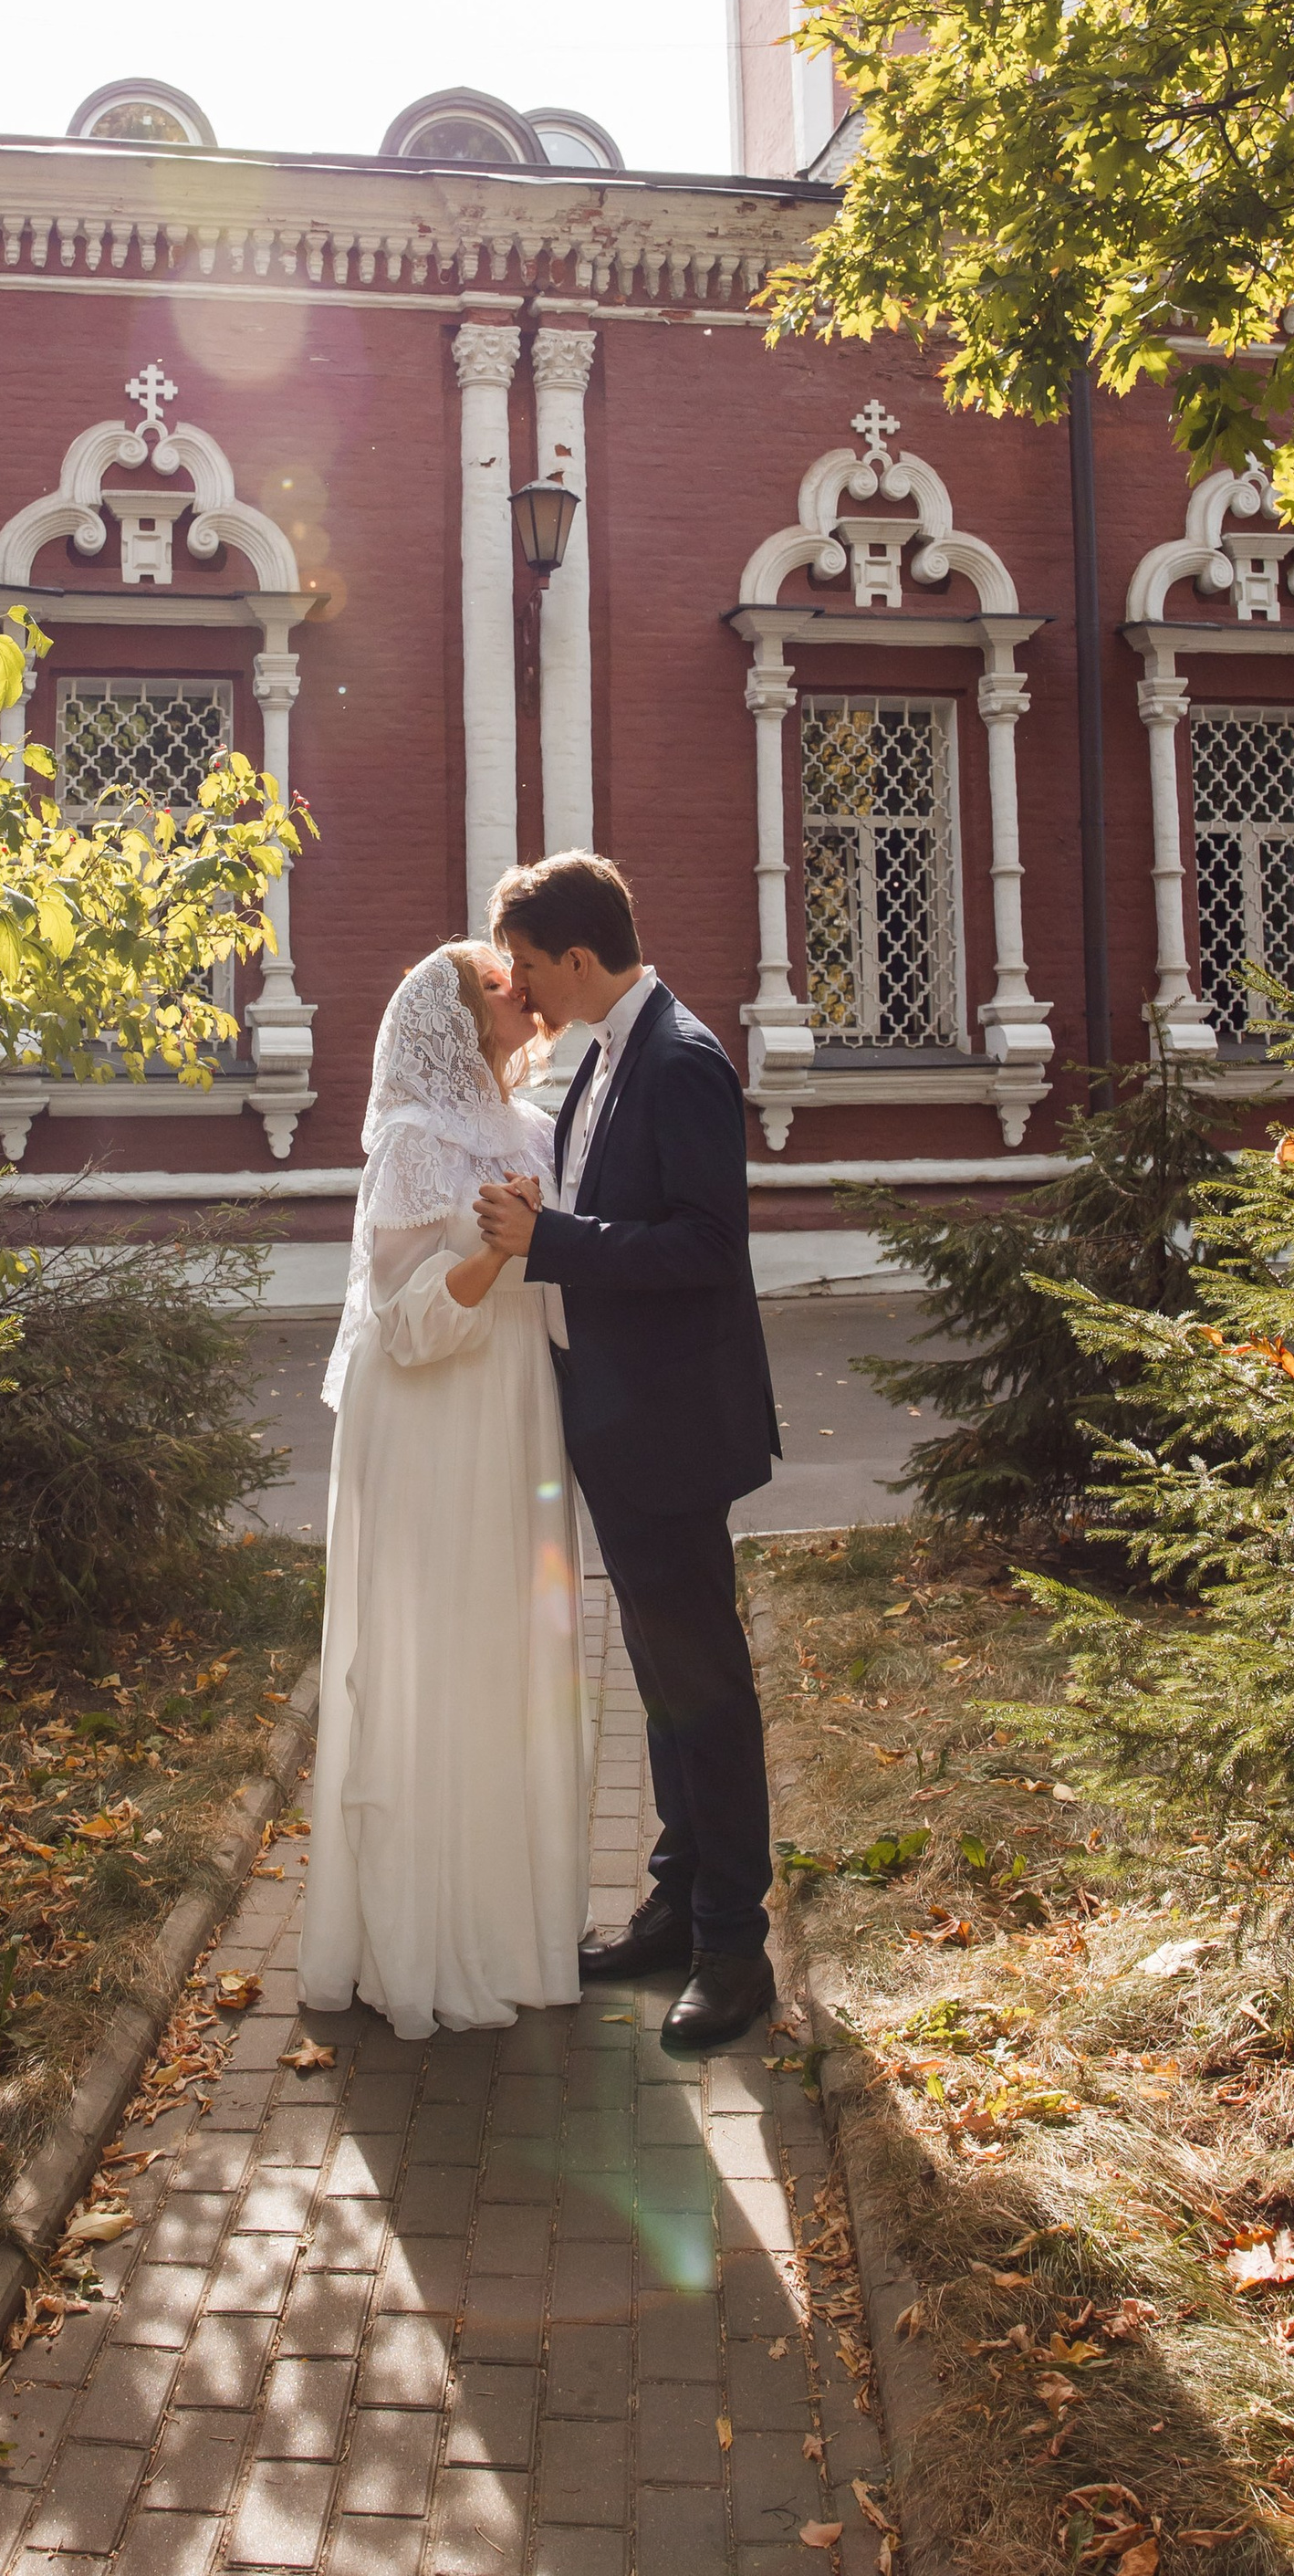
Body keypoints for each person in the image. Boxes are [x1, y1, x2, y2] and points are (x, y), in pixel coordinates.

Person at [474, 852, 782, 2056]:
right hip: (624, 1423)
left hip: (674, 1428)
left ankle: (734, 1946)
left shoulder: (684, 1061)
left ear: (584, 959)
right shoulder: (610, 1051)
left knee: (707, 1690)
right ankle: (674, 1901)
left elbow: (705, 1245)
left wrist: (556, 1243)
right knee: (666, 1683)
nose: (526, 992)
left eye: (533, 970)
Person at [298, 941, 590, 2040]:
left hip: (509, 1411)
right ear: (450, 1022)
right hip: (428, 1420)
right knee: (436, 1654)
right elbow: (406, 1324)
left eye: (513, 976)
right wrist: (495, 1247)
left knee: (504, 1652)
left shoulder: (526, 1129)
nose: (515, 988)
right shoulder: (415, 1144)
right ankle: (417, 1936)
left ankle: (509, 1926)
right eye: (492, 983)